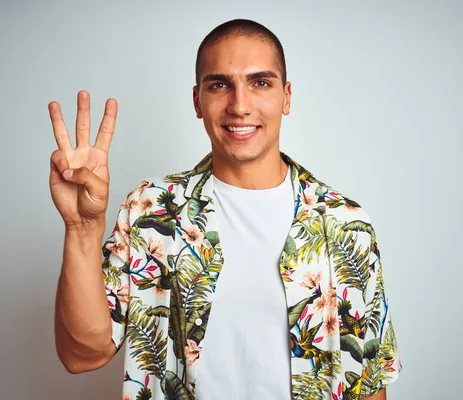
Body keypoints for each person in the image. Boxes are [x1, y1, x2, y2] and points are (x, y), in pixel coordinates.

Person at [50, 19, 401, 400]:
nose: (240, 105)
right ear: (197, 100)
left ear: (286, 96)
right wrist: (82, 229)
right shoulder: (151, 211)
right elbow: (81, 354)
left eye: (260, 83)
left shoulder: (345, 223)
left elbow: (366, 383)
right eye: (219, 85)